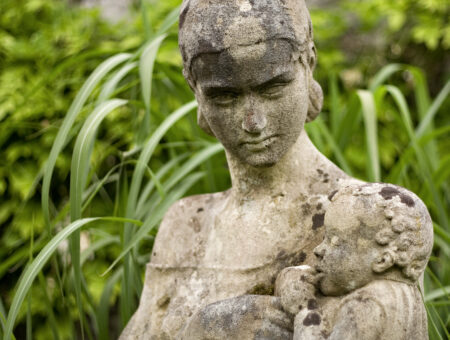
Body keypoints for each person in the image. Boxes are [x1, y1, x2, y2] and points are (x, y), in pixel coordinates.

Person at [120, 1, 432, 339]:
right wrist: (204, 329)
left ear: (308, 64)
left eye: (273, 88)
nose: (253, 122)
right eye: (225, 96)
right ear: (195, 91)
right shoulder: (184, 226)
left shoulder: (367, 223)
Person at [275, 183, 432, 339]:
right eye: (325, 238)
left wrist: (305, 313)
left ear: (383, 261)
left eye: (334, 241)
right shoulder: (409, 299)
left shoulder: (365, 305)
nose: (318, 249)